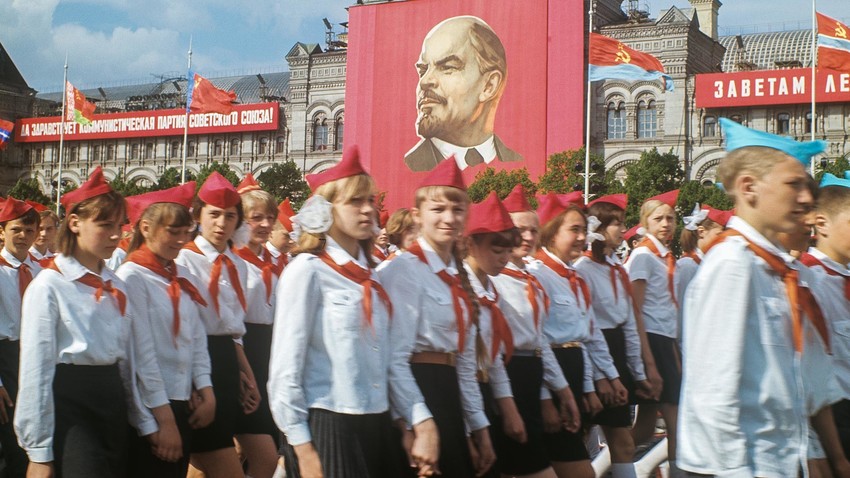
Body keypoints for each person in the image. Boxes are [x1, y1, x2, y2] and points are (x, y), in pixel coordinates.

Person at [678, 118, 845, 476]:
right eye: (793, 184)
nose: (806, 197)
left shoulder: (779, 269)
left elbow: (809, 379)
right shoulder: (732, 265)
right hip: (736, 467)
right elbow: (714, 394)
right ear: (749, 187)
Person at [269, 146, 406, 478]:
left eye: (370, 201)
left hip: (378, 420)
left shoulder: (373, 275)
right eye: (354, 201)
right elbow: (285, 370)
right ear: (327, 209)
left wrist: (407, 419)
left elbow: (388, 358)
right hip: (330, 422)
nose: (366, 210)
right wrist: (302, 447)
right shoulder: (307, 270)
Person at [15, 167, 153, 477]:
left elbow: (127, 361)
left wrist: (142, 417)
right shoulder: (49, 285)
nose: (117, 235)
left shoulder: (118, 285)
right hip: (72, 405)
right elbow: (35, 371)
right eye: (105, 225)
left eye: (120, 225)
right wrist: (38, 451)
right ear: (75, 223)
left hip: (112, 404)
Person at [379, 158, 495, 477]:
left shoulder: (457, 277)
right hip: (417, 393)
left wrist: (478, 428)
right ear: (417, 215)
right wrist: (410, 425)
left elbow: (465, 362)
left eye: (457, 211)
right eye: (438, 209)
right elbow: (393, 359)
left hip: (447, 394)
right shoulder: (402, 271)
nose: (449, 218)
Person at [118, 183, 216, 478]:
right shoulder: (132, 277)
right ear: (146, 228)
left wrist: (206, 389)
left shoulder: (181, 274)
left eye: (186, 233)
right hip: (152, 406)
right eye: (173, 232)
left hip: (182, 398)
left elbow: (196, 338)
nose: (181, 241)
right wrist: (164, 420)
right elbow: (140, 357)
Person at [490, 185, 580, 478]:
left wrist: (561, 390)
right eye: (518, 230)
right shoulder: (494, 281)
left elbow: (539, 340)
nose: (527, 237)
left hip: (533, 373)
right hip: (509, 375)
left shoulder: (532, 279)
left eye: (532, 230)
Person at [527, 193, 618, 478]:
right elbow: (539, 342)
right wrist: (548, 396)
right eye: (574, 230)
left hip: (576, 371)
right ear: (552, 233)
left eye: (583, 229)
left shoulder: (573, 278)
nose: (583, 237)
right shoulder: (539, 275)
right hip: (554, 377)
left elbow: (585, 335)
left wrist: (597, 383)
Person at [175, 171, 260, 478]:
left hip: (225, 358)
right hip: (197, 357)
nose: (222, 224)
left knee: (205, 458)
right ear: (198, 215)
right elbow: (185, 326)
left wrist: (246, 373)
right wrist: (196, 382)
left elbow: (234, 330)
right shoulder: (184, 260)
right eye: (214, 215)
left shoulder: (239, 264)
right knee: (211, 455)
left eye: (230, 216)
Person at [575, 194, 659, 478]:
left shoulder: (616, 269)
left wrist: (637, 373)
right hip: (593, 356)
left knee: (622, 443)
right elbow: (586, 326)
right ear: (599, 228)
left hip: (618, 352)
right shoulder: (582, 270)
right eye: (617, 224)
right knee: (581, 442)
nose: (623, 230)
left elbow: (628, 323)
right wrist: (598, 375)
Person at [404, 16, 523, 172]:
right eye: (423, 70)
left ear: (489, 85)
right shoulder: (409, 166)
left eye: (447, 67)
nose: (424, 81)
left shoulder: (518, 166)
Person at [623, 189, 682, 475]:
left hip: (666, 339)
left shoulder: (665, 256)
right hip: (652, 341)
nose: (666, 224)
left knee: (645, 428)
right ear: (645, 222)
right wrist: (647, 359)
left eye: (670, 218)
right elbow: (635, 309)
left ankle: (602, 467)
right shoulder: (644, 255)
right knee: (675, 422)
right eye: (659, 218)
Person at [233, 174, 283, 478]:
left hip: (270, 353)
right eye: (255, 218)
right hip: (244, 351)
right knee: (246, 449)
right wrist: (242, 372)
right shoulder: (234, 263)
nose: (264, 224)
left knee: (261, 450)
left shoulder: (274, 262)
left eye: (269, 217)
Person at [800, 173, 850, 475]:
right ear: (821, 225)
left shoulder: (842, 277)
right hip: (834, 416)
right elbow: (810, 371)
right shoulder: (809, 280)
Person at [0, 197, 42, 478]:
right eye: (16, 229)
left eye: (29, 231)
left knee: (33, 441)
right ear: (2, 231)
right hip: (6, 359)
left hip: (34, 358)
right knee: (10, 442)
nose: (23, 236)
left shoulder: (41, 271)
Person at [267, 198, 296, 268]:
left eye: (293, 236)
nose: (292, 241)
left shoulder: (289, 260)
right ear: (271, 231)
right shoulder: (263, 258)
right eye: (287, 236)